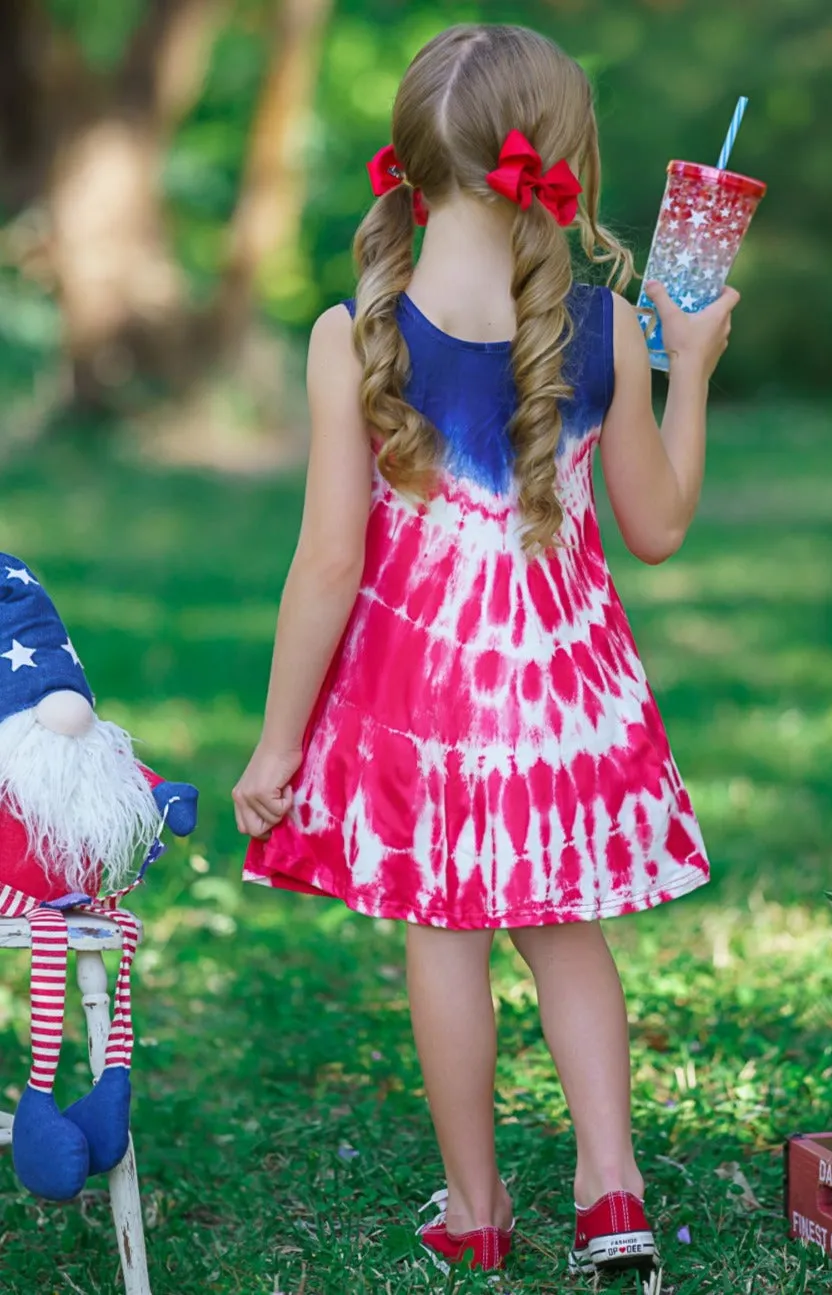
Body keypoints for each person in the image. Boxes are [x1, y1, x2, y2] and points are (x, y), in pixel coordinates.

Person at [233, 21, 737, 1286]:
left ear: (407, 160)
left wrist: (279, 742)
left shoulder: (355, 330)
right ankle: (611, 1190)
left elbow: (330, 564)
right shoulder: (607, 327)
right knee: (566, 934)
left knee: (444, 934)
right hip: (568, 701)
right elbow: (661, 529)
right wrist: (696, 372)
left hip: (421, 707)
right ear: (561, 158)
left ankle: (477, 1205)